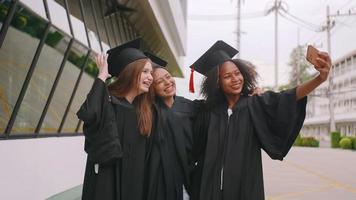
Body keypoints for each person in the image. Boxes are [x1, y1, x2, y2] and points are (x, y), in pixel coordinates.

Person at [188, 40, 331, 200]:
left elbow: (290, 96)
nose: (235, 79)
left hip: (245, 188)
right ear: (217, 83)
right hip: (207, 189)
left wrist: (320, 79)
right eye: (227, 76)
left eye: (237, 73)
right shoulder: (205, 111)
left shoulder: (254, 104)